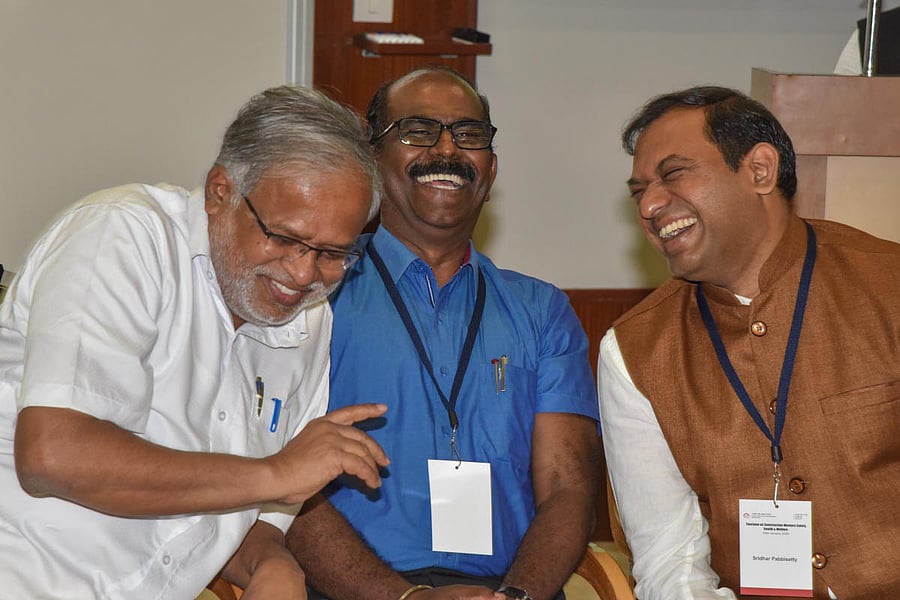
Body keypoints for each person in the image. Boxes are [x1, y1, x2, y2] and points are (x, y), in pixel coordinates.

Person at [0, 85, 391, 599]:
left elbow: (241, 511)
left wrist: (273, 563)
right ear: (219, 192)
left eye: (333, 254)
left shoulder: (310, 318)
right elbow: (53, 455)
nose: (303, 274)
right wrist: (275, 473)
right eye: (284, 238)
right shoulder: (124, 234)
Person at [286, 67, 600, 600]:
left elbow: (568, 490)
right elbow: (284, 481)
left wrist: (515, 597)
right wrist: (405, 599)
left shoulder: (542, 311)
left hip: (510, 591)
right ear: (371, 158)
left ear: (491, 170)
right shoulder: (315, 290)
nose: (448, 149)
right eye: (418, 130)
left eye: (469, 134)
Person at [598, 85, 900, 600]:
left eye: (674, 174)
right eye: (639, 191)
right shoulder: (634, 352)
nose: (648, 205)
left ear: (760, 170)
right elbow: (670, 562)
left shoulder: (887, 287)